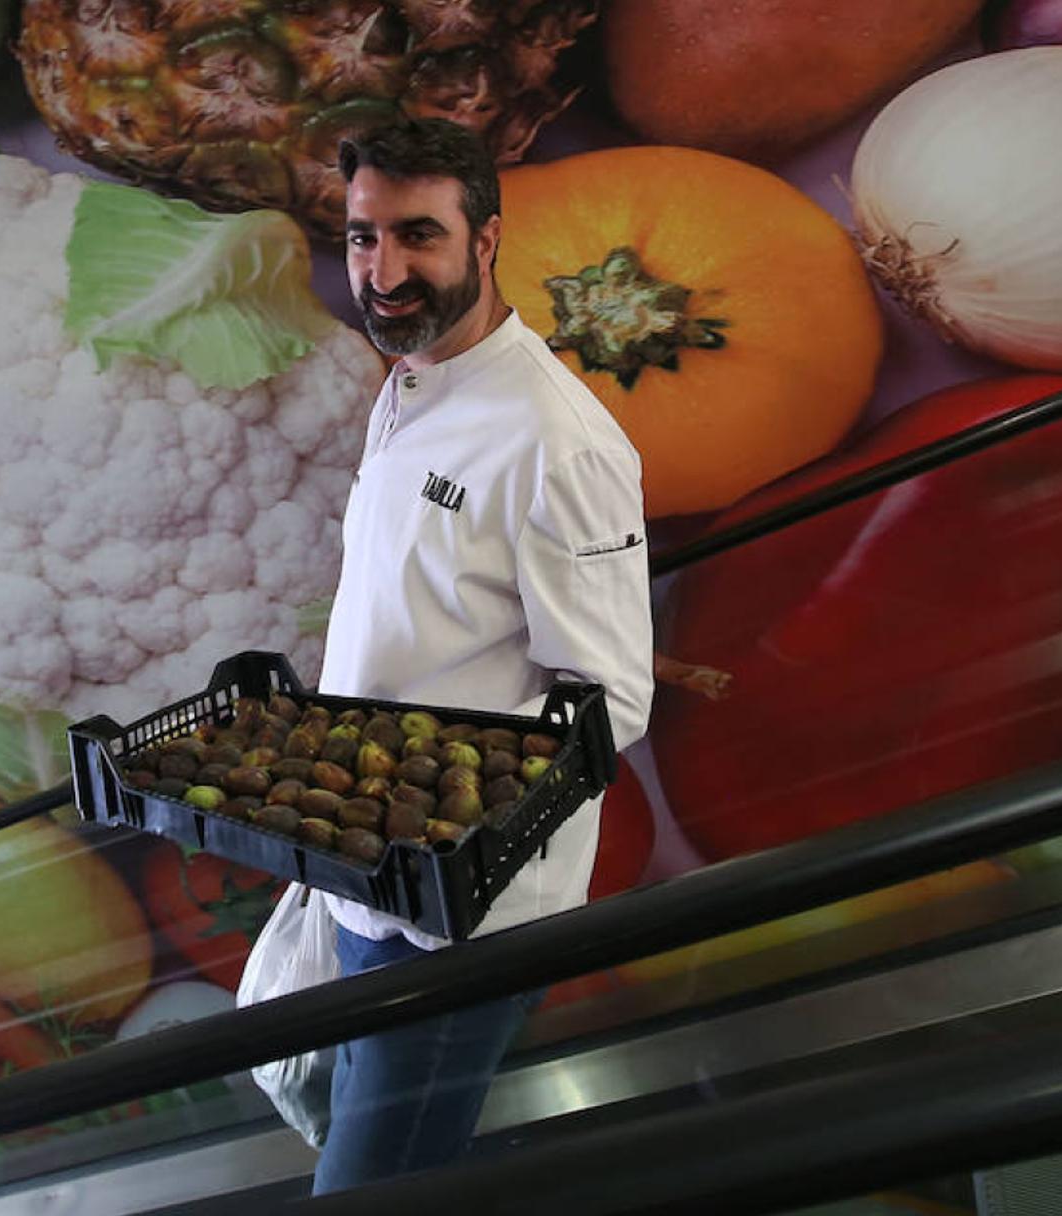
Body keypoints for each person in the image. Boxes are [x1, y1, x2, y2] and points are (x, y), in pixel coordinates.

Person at [310, 117, 656, 1193]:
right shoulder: (412, 379)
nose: (386, 269)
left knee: (370, 1185)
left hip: (463, 916)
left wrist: (453, 842)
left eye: (420, 235)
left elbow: (611, 704)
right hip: (362, 870)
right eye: (365, 237)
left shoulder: (559, 439)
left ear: (488, 238)